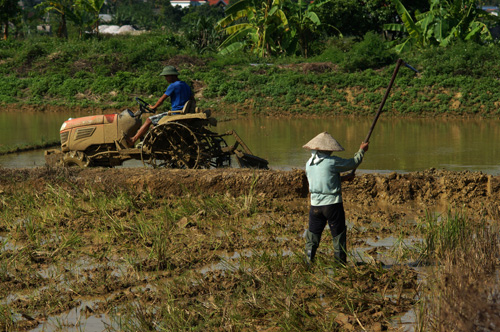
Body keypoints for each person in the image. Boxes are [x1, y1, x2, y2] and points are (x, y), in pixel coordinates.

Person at [303, 131, 369, 266]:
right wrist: (361, 151)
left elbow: (323, 180)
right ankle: (340, 266)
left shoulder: (309, 163)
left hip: (315, 206)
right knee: (338, 235)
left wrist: (343, 179)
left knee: (313, 237)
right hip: (332, 205)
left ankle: (308, 264)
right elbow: (353, 162)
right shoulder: (332, 162)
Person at [129, 65, 193, 145]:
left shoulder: (173, 86)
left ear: (172, 76)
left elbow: (161, 100)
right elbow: (192, 99)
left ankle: (133, 139)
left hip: (175, 114)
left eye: (166, 76)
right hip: (183, 113)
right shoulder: (186, 85)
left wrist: (153, 107)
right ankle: (147, 140)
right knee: (154, 125)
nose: (166, 78)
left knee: (149, 120)